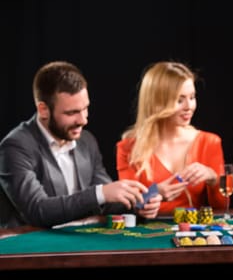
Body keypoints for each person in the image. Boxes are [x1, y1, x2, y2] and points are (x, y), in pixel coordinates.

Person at [0, 61, 161, 229]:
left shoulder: (86, 140)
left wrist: (137, 204)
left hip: (78, 243)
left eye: (85, 108)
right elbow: (38, 210)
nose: (83, 120)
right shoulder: (14, 147)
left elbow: (107, 200)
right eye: (72, 113)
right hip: (29, 248)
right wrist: (100, 193)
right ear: (43, 110)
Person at [116, 61, 226, 216]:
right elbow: (125, 206)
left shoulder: (210, 142)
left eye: (192, 97)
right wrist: (155, 193)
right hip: (146, 236)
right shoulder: (127, 147)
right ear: (156, 102)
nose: (189, 106)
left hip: (191, 234)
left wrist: (213, 179)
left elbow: (223, 207)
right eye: (179, 100)